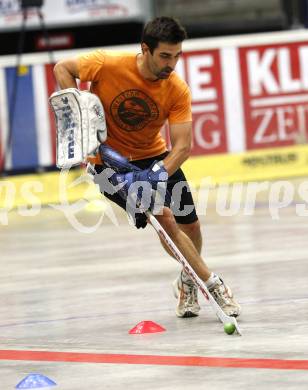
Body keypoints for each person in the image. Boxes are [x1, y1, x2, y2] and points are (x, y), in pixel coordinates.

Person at [53, 16, 241, 319]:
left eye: (177, 56)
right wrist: (78, 116)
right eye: (165, 56)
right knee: (163, 216)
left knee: (190, 224)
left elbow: (182, 147)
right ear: (146, 49)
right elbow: (63, 68)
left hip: (153, 158)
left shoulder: (176, 89)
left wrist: (157, 173)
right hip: (107, 165)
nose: (172, 64)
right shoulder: (107, 64)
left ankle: (186, 279)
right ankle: (213, 283)